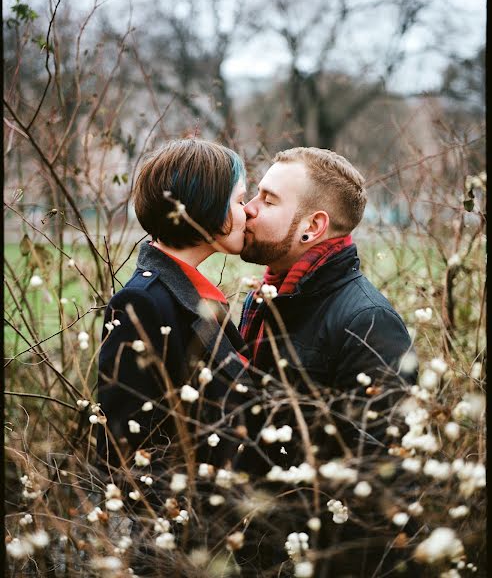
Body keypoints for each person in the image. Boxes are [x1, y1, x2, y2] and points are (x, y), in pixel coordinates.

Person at [234, 147, 418, 577]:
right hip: (264, 550)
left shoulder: (367, 321)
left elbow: (382, 477)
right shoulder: (264, 300)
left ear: (312, 227)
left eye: (269, 199)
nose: (249, 210)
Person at [95, 140, 252, 569]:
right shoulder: (143, 303)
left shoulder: (196, 294)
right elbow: (125, 449)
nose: (250, 211)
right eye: (240, 200)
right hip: (174, 546)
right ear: (210, 209)